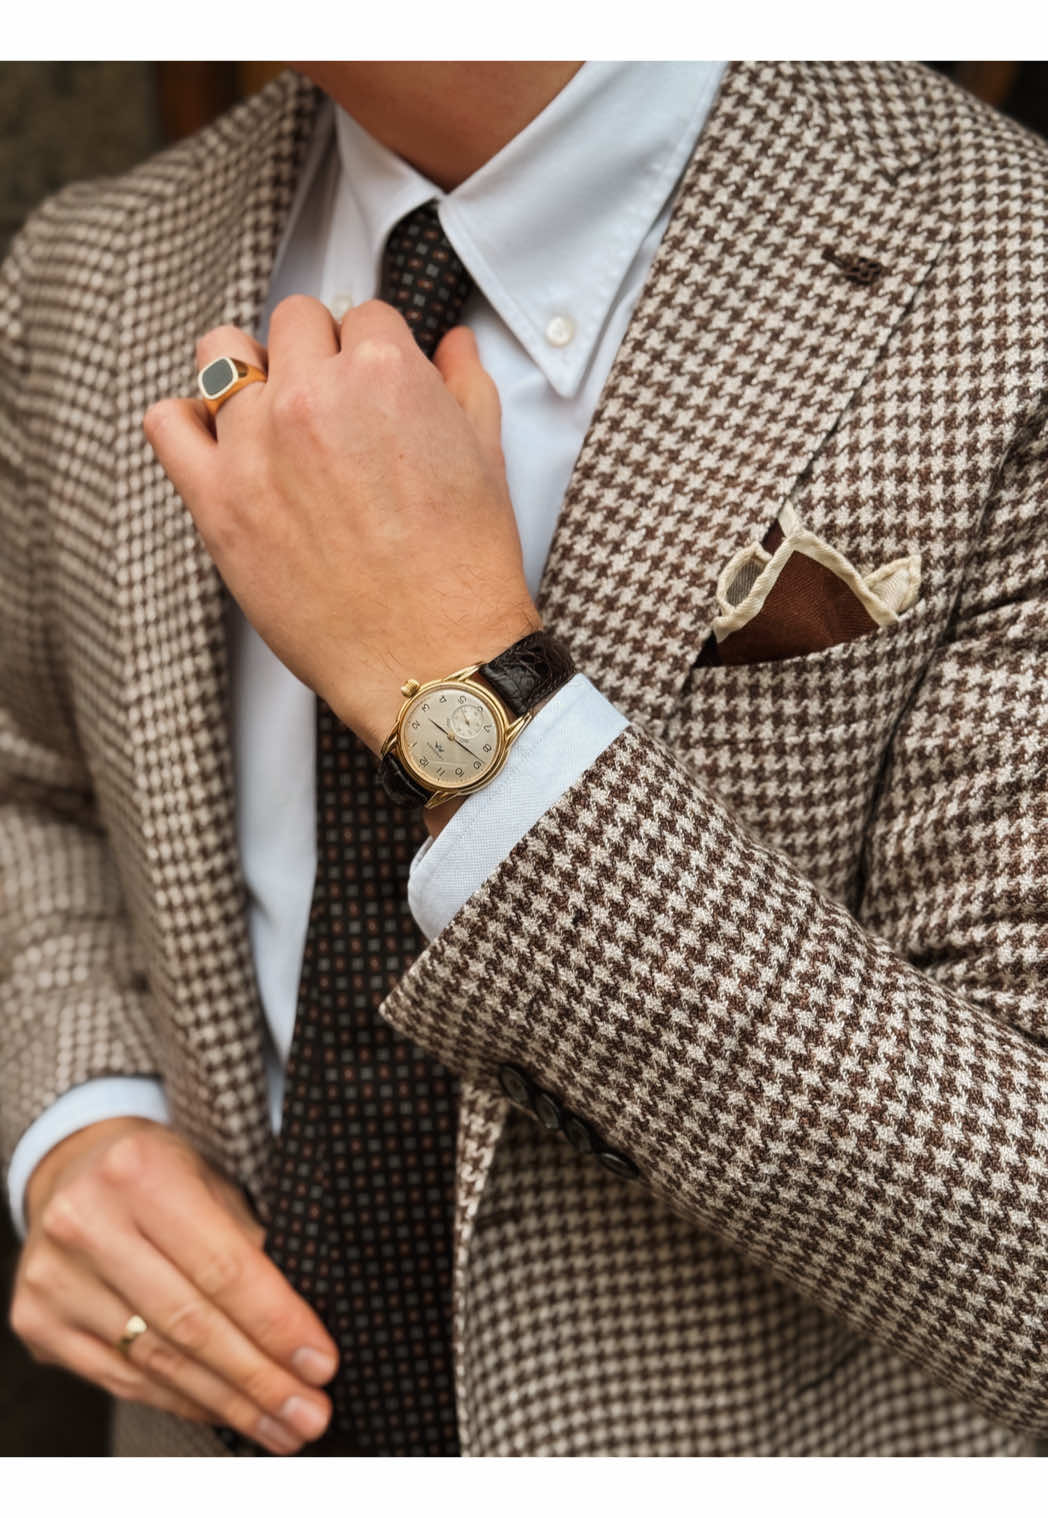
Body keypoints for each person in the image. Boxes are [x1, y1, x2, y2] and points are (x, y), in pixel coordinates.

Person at [1, 59, 1047, 1459]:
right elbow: (35, 786)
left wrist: (470, 699)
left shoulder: (1006, 270)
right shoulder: (90, 264)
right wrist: (81, 1115)